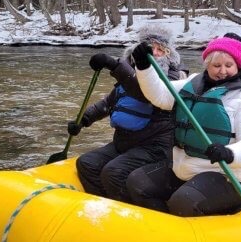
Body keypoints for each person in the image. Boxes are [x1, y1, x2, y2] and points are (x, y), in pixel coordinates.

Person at [125, 36, 241, 217]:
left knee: (185, 201)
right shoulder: (192, 82)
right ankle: (166, 230)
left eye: (229, 65)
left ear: (238, 65)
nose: (223, 71)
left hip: (229, 175)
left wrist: (229, 153)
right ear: (207, 65)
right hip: (187, 168)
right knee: (138, 183)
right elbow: (160, 95)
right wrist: (144, 67)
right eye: (216, 66)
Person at [68, 25, 183, 203]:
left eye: (161, 49)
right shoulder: (130, 72)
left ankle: (129, 212)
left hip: (154, 147)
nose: (156, 53)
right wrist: (84, 119)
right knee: (87, 163)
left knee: (113, 172)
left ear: (168, 53)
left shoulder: (174, 77)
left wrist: (114, 65)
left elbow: (147, 94)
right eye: (150, 48)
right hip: (124, 141)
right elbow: (108, 103)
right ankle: (104, 205)